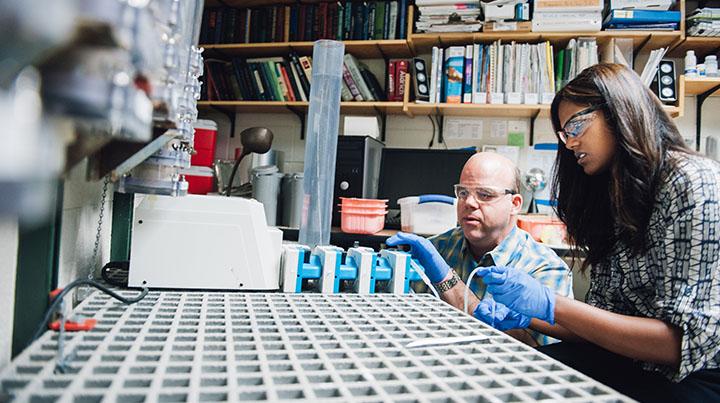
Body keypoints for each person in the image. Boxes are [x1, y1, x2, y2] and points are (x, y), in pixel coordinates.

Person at [468, 64, 720, 402]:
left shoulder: (692, 182)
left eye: (576, 126)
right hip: (628, 361)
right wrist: (531, 316)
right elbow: (600, 327)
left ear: (619, 112)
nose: (570, 143)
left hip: (695, 376)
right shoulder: (615, 194)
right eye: (564, 133)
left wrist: (550, 304)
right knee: (505, 380)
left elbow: (679, 344)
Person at [387, 152, 573, 347]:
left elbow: (540, 356)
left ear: (515, 204)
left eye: (485, 195)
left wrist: (446, 281)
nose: (469, 203)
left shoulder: (546, 268)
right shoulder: (435, 250)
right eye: (463, 193)